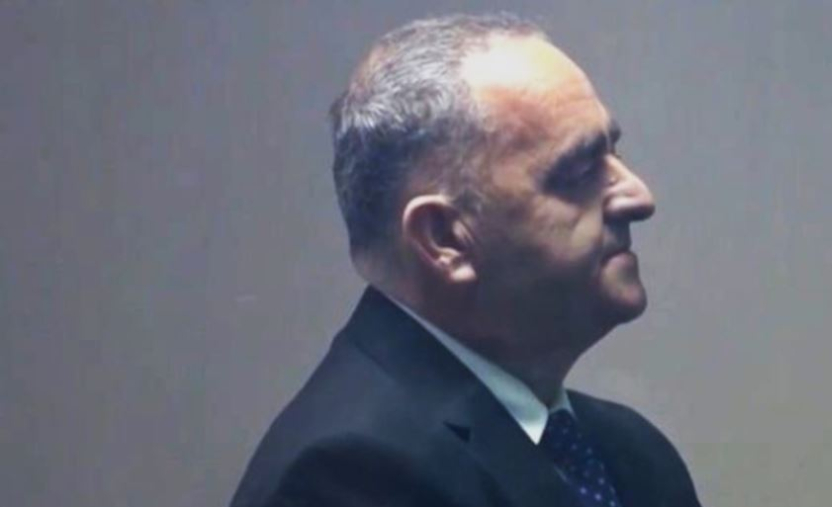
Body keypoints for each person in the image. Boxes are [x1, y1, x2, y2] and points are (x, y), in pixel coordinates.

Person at [230, 13, 702, 507]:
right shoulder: (348, 477)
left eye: (614, 154)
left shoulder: (633, 454)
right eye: (580, 170)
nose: (638, 196)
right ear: (444, 238)